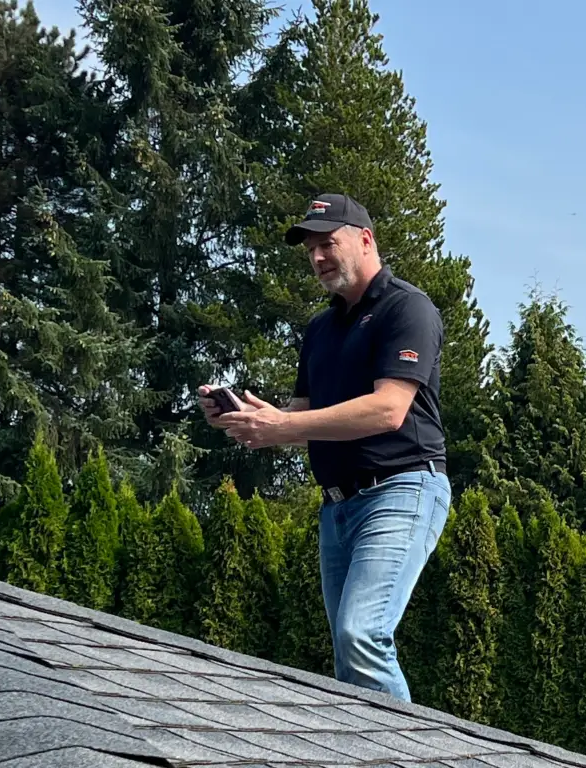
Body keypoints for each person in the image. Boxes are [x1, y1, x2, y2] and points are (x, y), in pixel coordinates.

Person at [197, 193, 451, 702]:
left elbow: (388, 410)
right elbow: (301, 414)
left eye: (327, 244)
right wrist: (253, 418)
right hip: (337, 506)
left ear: (364, 239)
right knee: (348, 659)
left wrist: (285, 427)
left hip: (401, 489)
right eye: (310, 248)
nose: (317, 258)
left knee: (363, 636)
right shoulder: (319, 328)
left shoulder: (408, 309)